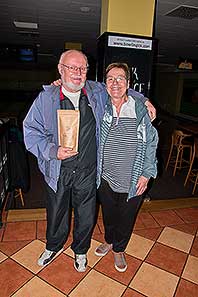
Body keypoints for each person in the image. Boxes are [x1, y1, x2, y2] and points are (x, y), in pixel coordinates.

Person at [23, 50, 156, 273]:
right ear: (60, 69)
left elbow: (119, 88)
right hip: (57, 169)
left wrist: (144, 99)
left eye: (83, 68)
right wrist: (52, 150)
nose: (78, 72)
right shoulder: (46, 98)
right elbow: (30, 131)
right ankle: (53, 246)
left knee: (86, 215)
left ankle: (81, 251)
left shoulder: (95, 91)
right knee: (56, 213)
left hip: (87, 170)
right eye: (72, 67)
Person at [95, 63, 158, 272]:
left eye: (120, 78)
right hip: (105, 177)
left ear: (128, 83)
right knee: (109, 214)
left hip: (133, 180)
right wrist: (57, 83)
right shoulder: (101, 105)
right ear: (105, 84)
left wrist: (147, 174)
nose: (115, 83)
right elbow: (78, 85)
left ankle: (119, 248)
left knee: (126, 217)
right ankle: (110, 240)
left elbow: (151, 143)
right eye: (110, 79)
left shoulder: (140, 109)